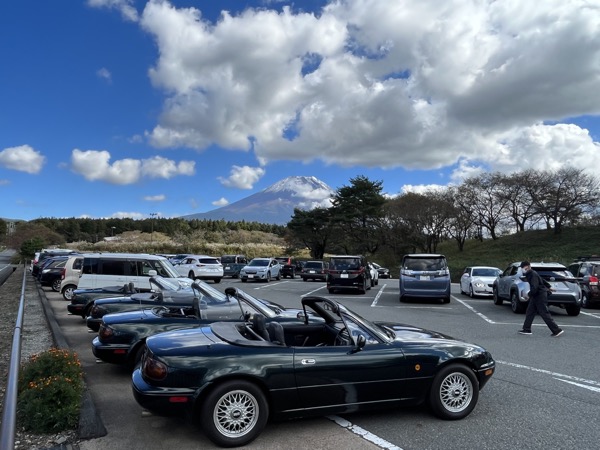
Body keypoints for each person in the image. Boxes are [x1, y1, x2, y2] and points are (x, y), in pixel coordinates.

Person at [518, 261, 564, 337]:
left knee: (544, 313)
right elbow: (542, 280)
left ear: (527, 267)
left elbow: (534, 287)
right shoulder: (532, 273)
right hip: (536, 295)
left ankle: (556, 330)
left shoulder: (532, 274)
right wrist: (548, 287)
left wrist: (529, 295)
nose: (522, 269)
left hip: (539, 295)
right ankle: (526, 329)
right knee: (530, 312)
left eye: (523, 268)